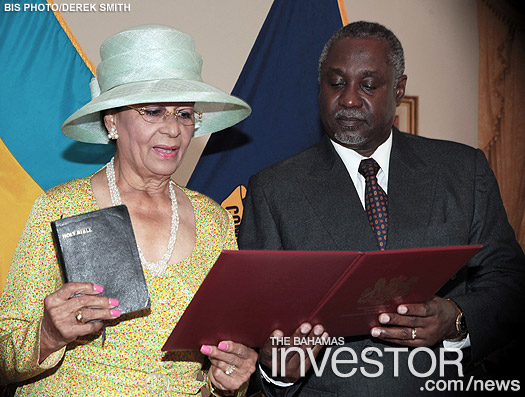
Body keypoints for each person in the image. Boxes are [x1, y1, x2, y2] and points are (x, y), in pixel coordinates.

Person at [239, 21, 525, 395]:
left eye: (369, 85)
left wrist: (457, 318)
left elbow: (509, 279)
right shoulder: (273, 189)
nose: (350, 99)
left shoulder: (462, 170)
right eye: (336, 83)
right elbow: (258, 325)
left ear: (400, 90)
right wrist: (280, 372)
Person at [0, 25, 257, 396]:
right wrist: (47, 334)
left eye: (185, 114)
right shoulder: (61, 208)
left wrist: (224, 384)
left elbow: (216, 365)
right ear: (111, 122)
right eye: (153, 111)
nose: (173, 129)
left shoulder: (214, 220)